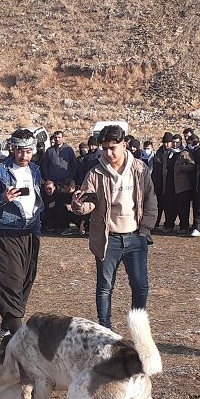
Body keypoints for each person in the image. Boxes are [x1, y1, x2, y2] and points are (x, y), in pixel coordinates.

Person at [70, 124, 157, 331]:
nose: (108, 153)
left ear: (124, 144)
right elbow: (89, 203)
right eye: (104, 149)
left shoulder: (139, 169)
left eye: (113, 148)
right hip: (108, 239)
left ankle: (138, 328)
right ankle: (105, 330)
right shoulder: (95, 173)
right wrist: (78, 205)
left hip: (136, 237)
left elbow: (150, 199)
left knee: (140, 286)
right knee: (104, 287)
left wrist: (144, 230)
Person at [0, 129, 43, 340]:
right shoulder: (0, 171)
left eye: (28, 151)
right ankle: (20, 335)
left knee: (26, 279)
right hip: (6, 232)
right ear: (12, 149)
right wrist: (3, 198)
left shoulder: (35, 170)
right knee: (10, 280)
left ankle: (7, 323)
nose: (24, 156)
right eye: (20, 151)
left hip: (31, 231)